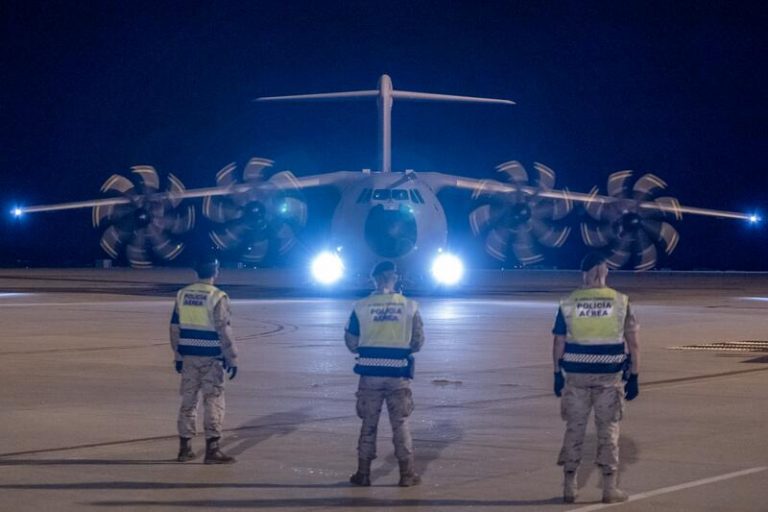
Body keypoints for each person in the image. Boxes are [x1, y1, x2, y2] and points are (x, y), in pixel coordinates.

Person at [552, 252, 640, 503]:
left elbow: (558, 341)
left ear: (584, 273)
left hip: (576, 377)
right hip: (608, 379)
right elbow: (634, 344)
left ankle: (569, 486)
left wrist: (556, 373)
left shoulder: (568, 302)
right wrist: (634, 375)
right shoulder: (620, 302)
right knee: (608, 431)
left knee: (574, 429)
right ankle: (609, 489)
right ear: (603, 272)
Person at [344, 260, 425, 487]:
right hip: (398, 374)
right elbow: (418, 342)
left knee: (368, 424)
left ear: (374, 278)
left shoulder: (360, 306)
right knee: (400, 424)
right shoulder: (409, 306)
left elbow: (351, 342)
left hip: (369, 374)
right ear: (395, 277)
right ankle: (406, 474)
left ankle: (364, 474)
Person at [170, 257, 238, 464]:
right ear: (215, 272)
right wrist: (232, 358)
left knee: (188, 401)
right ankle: (212, 449)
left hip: (189, 355)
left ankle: (184, 448)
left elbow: (174, 328)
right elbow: (223, 330)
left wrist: (178, 354)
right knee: (213, 400)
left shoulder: (183, 294)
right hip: (211, 357)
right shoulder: (217, 296)